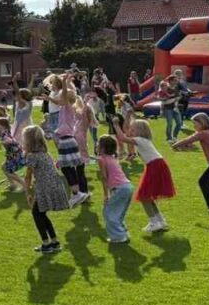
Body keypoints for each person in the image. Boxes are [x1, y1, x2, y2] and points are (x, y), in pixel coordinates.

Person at [111, 118, 174, 233]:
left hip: (155, 166)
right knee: (148, 195)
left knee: (144, 196)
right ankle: (160, 220)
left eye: (133, 129)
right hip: (156, 165)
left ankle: (154, 222)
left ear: (139, 131)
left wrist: (115, 125)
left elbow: (122, 138)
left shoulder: (139, 139)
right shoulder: (143, 140)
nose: (130, 130)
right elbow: (125, 134)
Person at [40, 73, 89, 207]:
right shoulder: (66, 108)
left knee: (66, 168)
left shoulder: (67, 107)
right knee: (67, 168)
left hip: (67, 140)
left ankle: (77, 194)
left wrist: (65, 81)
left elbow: (64, 96)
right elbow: (63, 98)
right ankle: (77, 193)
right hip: (67, 140)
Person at [21, 125, 70, 253]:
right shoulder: (44, 153)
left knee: (36, 213)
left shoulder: (32, 156)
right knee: (41, 213)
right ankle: (54, 242)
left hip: (45, 188)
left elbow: (28, 177)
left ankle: (46, 243)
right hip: (55, 186)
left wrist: (28, 193)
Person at [172, 114, 209, 213]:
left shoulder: (203, 133)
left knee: (203, 182)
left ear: (202, 123)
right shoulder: (206, 132)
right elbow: (191, 142)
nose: (194, 126)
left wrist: (175, 144)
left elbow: (189, 139)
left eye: (195, 124)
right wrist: (186, 146)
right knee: (205, 182)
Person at [96, 135, 133, 243]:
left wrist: (106, 194)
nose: (96, 145)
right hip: (127, 187)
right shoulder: (112, 158)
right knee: (119, 212)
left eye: (98, 143)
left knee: (109, 212)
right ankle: (123, 233)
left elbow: (104, 177)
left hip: (121, 189)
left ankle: (118, 237)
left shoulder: (102, 159)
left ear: (102, 148)